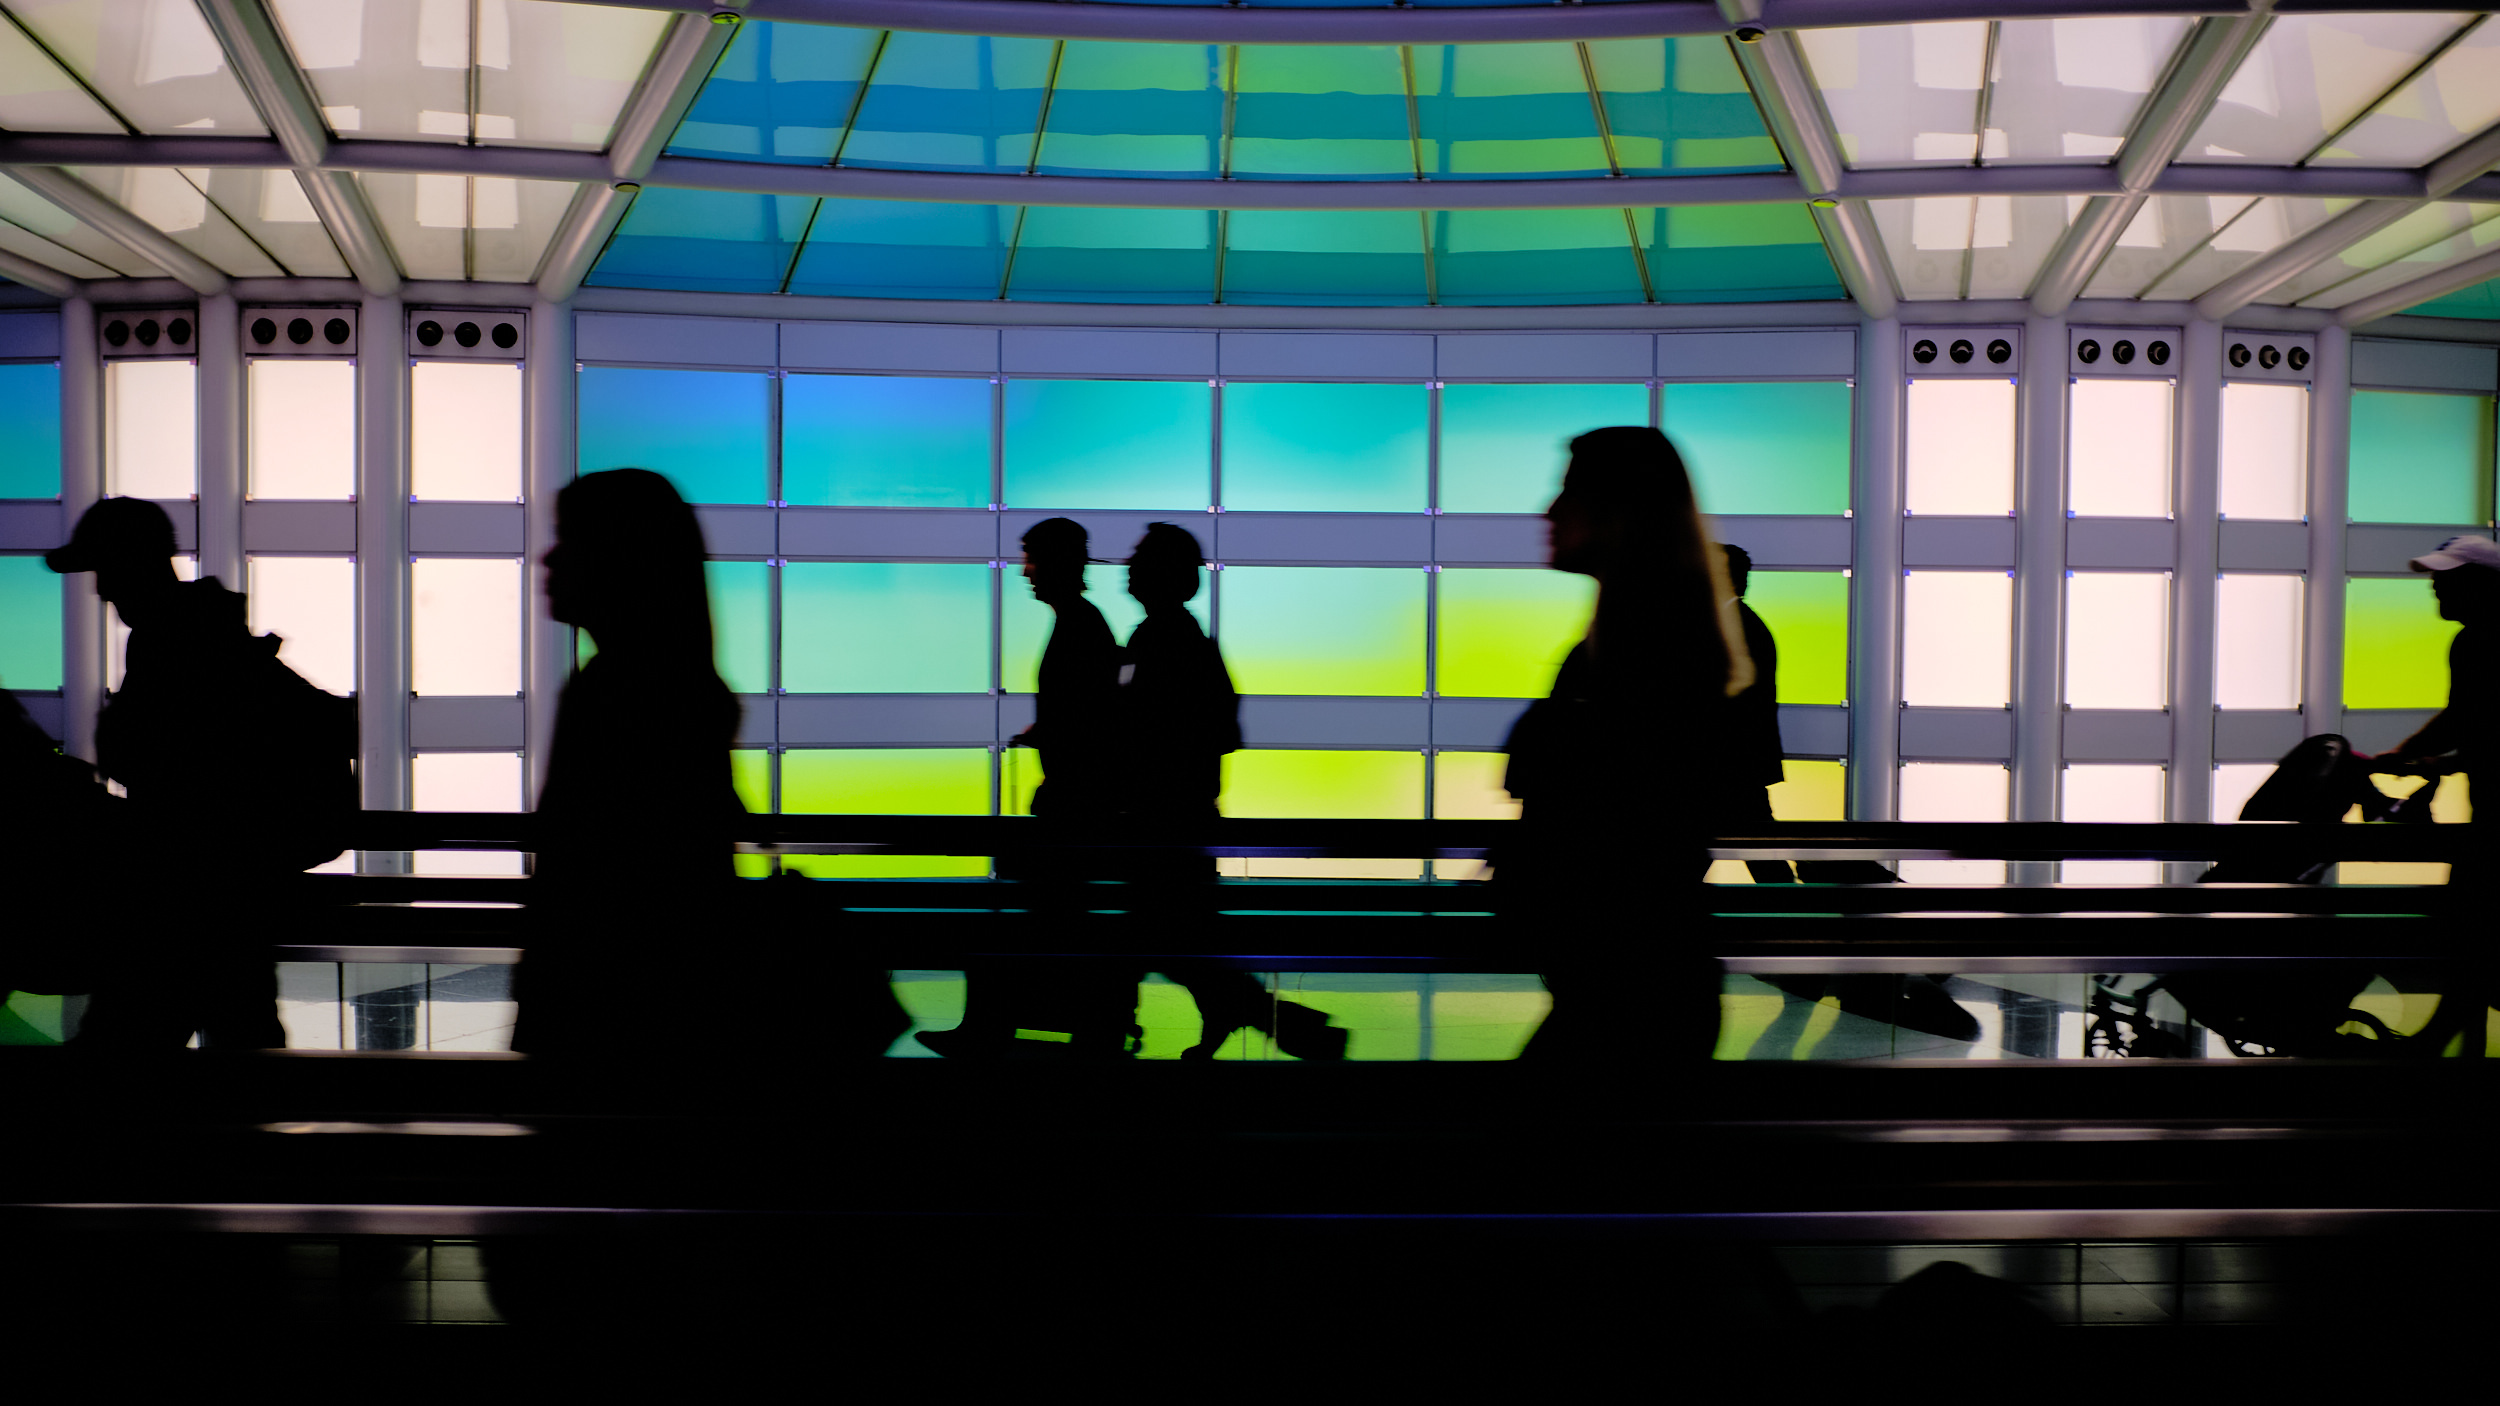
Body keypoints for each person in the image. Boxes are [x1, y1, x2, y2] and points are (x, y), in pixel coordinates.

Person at [44, 496, 352, 1049]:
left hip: (187, 897)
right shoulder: (206, 636)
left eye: (104, 569)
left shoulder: (178, 644)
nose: (100, 589)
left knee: (130, 1040)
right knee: (239, 1026)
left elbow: (156, 766)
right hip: (223, 891)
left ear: (134, 562)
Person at [1499, 427, 1750, 1063]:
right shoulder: (1649, 640)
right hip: (1641, 979)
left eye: (1570, 492)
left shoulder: (1642, 651)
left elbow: (1618, 816)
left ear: (1621, 511)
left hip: (1626, 985)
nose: (1549, 512)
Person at [1120, 523, 1344, 1060]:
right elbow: (1224, 732)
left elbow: (1152, 731)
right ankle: (1278, 1023)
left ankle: (1287, 1025)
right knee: (1176, 939)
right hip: (1183, 816)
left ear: (1161, 573)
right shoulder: (1184, 638)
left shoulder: (1158, 640)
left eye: (1139, 558)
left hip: (1164, 820)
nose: (1127, 565)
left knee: (1163, 938)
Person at [923, 517, 1136, 1058]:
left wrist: (1053, 738)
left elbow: (1087, 719)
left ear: (1059, 563)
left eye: (1033, 560)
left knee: (1029, 916)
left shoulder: (1078, 627)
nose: (1026, 573)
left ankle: (1000, 1024)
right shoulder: (1085, 624)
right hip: (1079, 805)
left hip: (1074, 807)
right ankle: (1077, 1023)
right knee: (1054, 919)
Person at [2370, 534, 2500, 805]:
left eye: (2446, 576)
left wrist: (2446, 763)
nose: (2435, 584)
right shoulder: (2469, 642)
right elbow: (2461, 716)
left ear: (2482, 582)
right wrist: (2404, 751)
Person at [1716, 544, 1796, 884]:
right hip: (1735, 769)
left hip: (1729, 768)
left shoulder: (1736, 631)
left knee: (1763, 856)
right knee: (1762, 852)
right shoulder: (1742, 626)